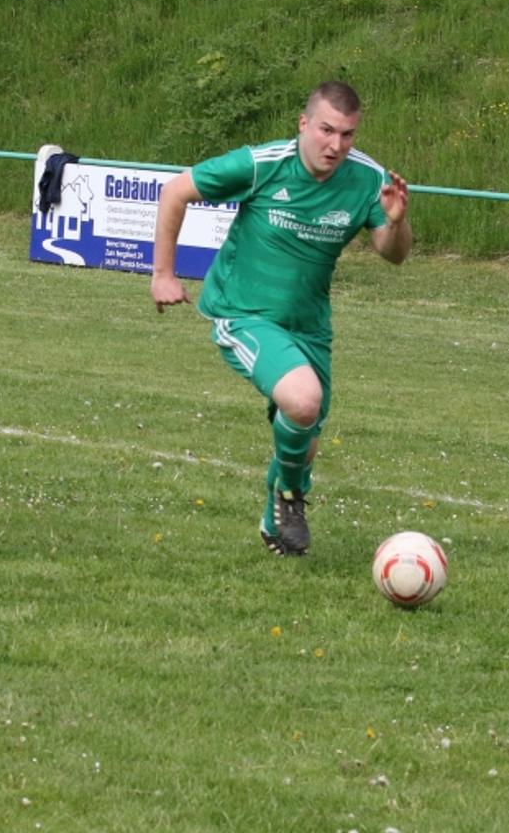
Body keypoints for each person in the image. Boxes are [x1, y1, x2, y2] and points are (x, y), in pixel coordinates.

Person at [151, 81, 410, 557]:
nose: (336, 145)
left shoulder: (367, 179)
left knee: (304, 438)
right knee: (304, 400)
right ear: (303, 124)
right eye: (327, 130)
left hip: (309, 326)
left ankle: (277, 523)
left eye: (348, 134)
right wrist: (163, 274)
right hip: (244, 313)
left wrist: (395, 222)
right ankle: (291, 496)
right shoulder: (263, 164)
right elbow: (175, 191)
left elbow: (393, 255)